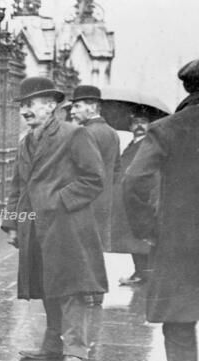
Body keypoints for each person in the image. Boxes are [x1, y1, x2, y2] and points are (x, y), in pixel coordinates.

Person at [1, 77, 107, 361]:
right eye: (22, 106)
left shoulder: (75, 135)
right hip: (35, 226)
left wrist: (57, 201)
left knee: (72, 285)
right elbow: (18, 186)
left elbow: (94, 179)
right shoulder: (26, 142)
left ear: (50, 105)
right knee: (47, 284)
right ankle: (51, 345)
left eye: (30, 104)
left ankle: (75, 350)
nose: (24, 111)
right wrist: (12, 223)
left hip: (68, 225)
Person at [124, 57, 199, 361]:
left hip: (182, 239)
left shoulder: (168, 129)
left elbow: (133, 182)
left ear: (188, 87)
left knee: (179, 314)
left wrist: (148, 227)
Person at [70, 85, 120, 306]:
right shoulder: (112, 133)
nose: (72, 111)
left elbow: (79, 170)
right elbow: (117, 170)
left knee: (82, 246)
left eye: (77, 106)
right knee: (96, 247)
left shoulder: (84, 133)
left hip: (86, 199)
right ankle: (97, 291)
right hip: (105, 200)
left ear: (92, 107)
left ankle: (87, 292)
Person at [110, 111, 155, 286]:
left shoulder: (148, 145)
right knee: (134, 238)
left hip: (141, 197)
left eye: (143, 122)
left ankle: (144, 275)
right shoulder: (131, 145)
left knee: (142, 238)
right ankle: (140, 272)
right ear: (130, 127)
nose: (139, 126)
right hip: (129, 197)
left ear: (149, 125)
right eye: (135, 123)